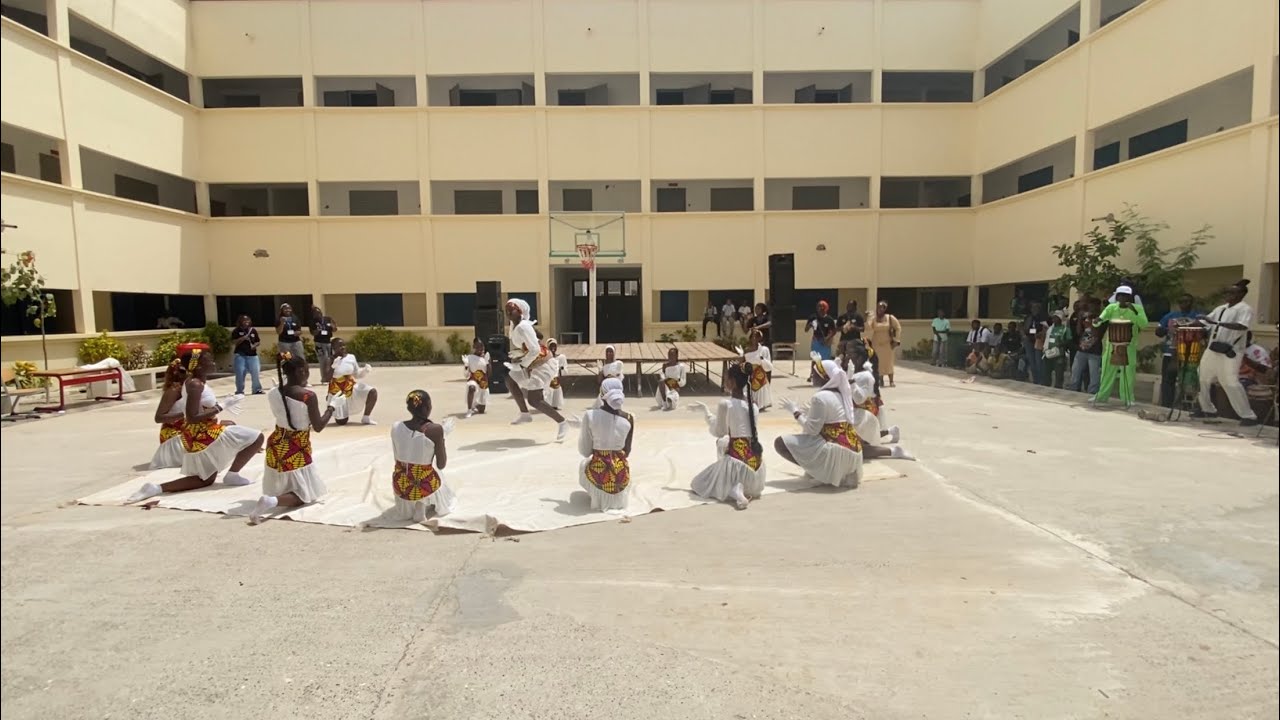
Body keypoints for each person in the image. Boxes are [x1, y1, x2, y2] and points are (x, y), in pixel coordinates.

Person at [127, 349, 263, 503]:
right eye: (208, 360)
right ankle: (232, 474)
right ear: (198, 366)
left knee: (204, 479)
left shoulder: (195, 382)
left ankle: (156, 488)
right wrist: (222, 406)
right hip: (203, 434)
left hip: (204, 431)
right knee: (257, 437)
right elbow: (191, 418)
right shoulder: (195, 385)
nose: (213, 363)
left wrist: (219, 406)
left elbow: (199, 409)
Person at [775, 359, 906, 489]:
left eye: (814, 373)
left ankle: (823, 474)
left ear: (824, 377)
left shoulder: (820, 397)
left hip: (838, 453)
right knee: (811, 440)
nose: (812, 376)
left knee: (780, 443)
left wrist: (795, 411)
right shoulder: (842, 393)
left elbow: (811, 430)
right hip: (855, 454)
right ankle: (837, 472)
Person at [250, 352, 337, 524]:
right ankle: (272, 501)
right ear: (300, 372)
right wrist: (332, 408)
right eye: (306, 370)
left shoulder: (273, 392)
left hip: (276, 443)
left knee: (287, 482)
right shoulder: (307, 396)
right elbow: (318, 426)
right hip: (296, 446)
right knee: (305, 495)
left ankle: (275, 498)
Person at [690, 363, 764, 510]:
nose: (724, 382)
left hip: (736, 462)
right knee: (727, 442)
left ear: (733, 382)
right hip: (756, 467)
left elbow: (719, 431)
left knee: (698, 482)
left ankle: (734, 487)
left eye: (726, 378)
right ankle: (738, 489)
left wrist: (706, 413)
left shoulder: (726, 404)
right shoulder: (753, 406)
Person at [1194, 280, 1259, 426]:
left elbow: (1242, 326)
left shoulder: (1244, 309)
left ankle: (1249, 416)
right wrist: (1188, 323)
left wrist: (1216, 323)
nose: (1228, 295)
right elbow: (1206, 322)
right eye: (1227, 292)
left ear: (1241, 294)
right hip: (1213, 349)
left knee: (1230, 382)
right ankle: (1207, 409)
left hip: (1231, 351)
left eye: (1232, 292)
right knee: (1202, 378)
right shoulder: (1221, 309)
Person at [504, 298, 570, 440]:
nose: (508, 312)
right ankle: (525, 414)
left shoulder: (523, 327)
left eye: (512, 309)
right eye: (507, 309)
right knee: (510, 380)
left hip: (542, 364)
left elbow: (534, 349)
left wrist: (522, 364)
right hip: (532, 362)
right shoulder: (515, 326)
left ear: (519, 311)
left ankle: (562, 422)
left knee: (535, 400)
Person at [390, 390, 457, 522]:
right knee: (433, 471)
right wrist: (441, 437)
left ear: (409, 408)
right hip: (422, 485)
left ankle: (411, 507)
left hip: (400, 484)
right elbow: (441, 464)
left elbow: (399, 455)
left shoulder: (396, 426)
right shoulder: (435, 429)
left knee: (410, 467)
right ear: (427, 407)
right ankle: (421, 505)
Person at [578, 378, 634, 512]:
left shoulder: (590, 415)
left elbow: (585, 450)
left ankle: (597, 496)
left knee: (583, 464)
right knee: (621, 467)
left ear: (601, 394)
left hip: (600, 475)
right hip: (621, 477)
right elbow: (627, 450)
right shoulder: (629, 418)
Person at [1092, 285, 1148, 408]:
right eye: (1120, 295)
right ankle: (1101, 395)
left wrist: (1133, 312)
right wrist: (1096, 321)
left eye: (1126, 296)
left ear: (1130, 297)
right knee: (1107, 371)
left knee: (1128, 373)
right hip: (1112, 345)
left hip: (1129, 345)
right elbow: (1101, 319)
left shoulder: (1137, 308)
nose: (1123, 298)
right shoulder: (1111, 307)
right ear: (1117, 296)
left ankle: (1128, 398)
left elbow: (1144, 324)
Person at [845, 344, 906, 450]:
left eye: (850, 355)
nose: (847, 357)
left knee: (862, 442)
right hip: (858, 408)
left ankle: (892, 449)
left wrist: (852, 383)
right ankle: (891, 431)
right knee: (866, 437)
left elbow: (859, 399)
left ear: (859, 358)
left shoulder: (865, 376)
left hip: (866, 409)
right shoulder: (854, 372)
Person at [1154, 293, 1203, 408]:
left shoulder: (1198, 316)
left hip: (1190, 354)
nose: (1184, 304)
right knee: (1168, 380)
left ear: (1192, 302)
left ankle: (1186, 407)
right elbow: (1158, 332)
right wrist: (1168, 329)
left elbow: (1205, 332)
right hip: (1170, 352)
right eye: (1182, 302)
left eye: (1187, 301)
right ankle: (1166, 406)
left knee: (1188, 380)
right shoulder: (1170, 316)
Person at [327, 337, 378, 425]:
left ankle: (366, 417)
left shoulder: (351, 357)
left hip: (350, 385)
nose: (342, 347)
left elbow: (356, 374)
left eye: (343, 345)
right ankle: (342, 413)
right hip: (337, 389)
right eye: (339, 346)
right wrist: (332, 367)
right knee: (341, 422)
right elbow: (326, 378)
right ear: (333, 348)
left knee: (372, 392)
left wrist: (365, 371)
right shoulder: (330, 359)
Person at [149, 360, 188, 470]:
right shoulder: (174, 391)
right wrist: (186, 413)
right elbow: (159, 418)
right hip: (174, 434)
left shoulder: (190, 387)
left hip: (187, 428)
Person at [867, 301, 902, 387]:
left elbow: (898, 328)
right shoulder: (874, 318)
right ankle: (880, 380)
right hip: (876, 344)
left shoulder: (890, 317)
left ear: (884, 309)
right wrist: (868, 318)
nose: (879, 309)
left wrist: (896, 340)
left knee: (888, 362)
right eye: (878, 307)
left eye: (881, 307)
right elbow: (868, 327)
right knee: (878, 363)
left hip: (888, 344)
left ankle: (891, 381)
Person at [1068, 311, 1102, 394]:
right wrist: (1080, 321)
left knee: (1094, 372)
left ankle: (1093, 390)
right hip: (1082, 350)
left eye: (1088, 318)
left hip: (1094, 352)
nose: (1086, 320)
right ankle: (1073, 387)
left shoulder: (1098, 322)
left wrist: (1091, 325)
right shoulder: (1084, 325)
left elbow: (1097, 335)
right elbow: (1079, 332)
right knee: (1076, 369)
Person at [230, 314, 263, 395]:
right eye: (244, 320)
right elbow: (233, 342)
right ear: (240, 321)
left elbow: (258, 341)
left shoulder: (253, 330)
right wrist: (243, 338)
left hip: (252, 355)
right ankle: (240, 391)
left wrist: (254, 345)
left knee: (255, 372)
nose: (246, 322)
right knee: (240, 373)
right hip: (240, 355)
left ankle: (256, 389)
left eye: (248, 320)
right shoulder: (236, 331)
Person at [743, 329, 774, 411]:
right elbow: (743, 362)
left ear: (759, 338)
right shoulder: (746, 350)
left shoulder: (764, 350)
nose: (754, 338)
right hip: (750, 374)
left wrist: (762, 359)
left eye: (756, 337)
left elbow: (769, 366)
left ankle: (760, 404)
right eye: (752, 336)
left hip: (760, 376)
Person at [1042, 311, 1073, 389]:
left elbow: (1069, 340)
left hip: (1059, 353)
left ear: (1060, 319)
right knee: (1046, 372)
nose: (1054, 319)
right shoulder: (1050, 328)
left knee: (1059, 373)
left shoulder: (1065, 329)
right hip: (1048, 352)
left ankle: (1058, 388)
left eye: (1056, 317)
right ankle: (1046, 386)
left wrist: (1062, 344)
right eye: (1053, 317)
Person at [463, 337, 490, 417]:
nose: (480, 348)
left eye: (481, 346)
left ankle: (475, 404)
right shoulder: (469, 358)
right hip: (473, 379)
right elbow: (466, 375)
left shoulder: (486, 357)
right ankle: (469, 410)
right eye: (477, 346)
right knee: (471, 387)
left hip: (483, 382)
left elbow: (489, 374)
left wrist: (487, 362)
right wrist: (466, 365)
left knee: (481, 410)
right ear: (474, 347)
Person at [1022, 301, 1049, 384]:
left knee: (1039, 362)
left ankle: (1041, 380)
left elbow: (1046, 328)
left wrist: (1039, 333)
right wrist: (1030, 332)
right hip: (1029, 340)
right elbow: (1026, 329)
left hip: (1039, 341)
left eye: (1036, 308)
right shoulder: (1029, 317)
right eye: (1033, 308)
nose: (1034, 309)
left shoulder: (1043, 317)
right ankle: (1035, 380)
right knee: (1032, 362)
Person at [311, 311, 338, 384]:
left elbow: (335, 329)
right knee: (323, 360)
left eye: (319, 312)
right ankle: (324, 378)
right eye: (315, 313)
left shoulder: (328, 319)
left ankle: (329, 377)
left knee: (330, 360)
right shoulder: (313, 322)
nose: (318, 314)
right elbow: (313, 333)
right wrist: (317, 330)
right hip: (319, 343)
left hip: (328, 342)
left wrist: (334, 326)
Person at [546, 339, 567, 410]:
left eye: (554, 346)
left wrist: (561, 369)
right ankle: (547, 405)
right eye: (551, 346)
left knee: (556, 390)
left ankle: (555, 404)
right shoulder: (545, 358)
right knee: (548, 391)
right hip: (547, 377)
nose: (553, 348)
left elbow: (565, 369)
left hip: (555, 377)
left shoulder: (561, 357)